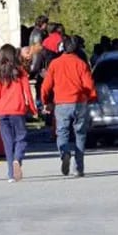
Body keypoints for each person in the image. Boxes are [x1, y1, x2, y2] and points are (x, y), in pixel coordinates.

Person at [41, 36, 96, 178]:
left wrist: (46, 101)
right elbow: (89, 85)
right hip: (79, 102)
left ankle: (64, 152)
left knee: (62, 132)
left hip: (61, 103)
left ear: (63, 48)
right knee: (80, 134)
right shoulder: (81, 64)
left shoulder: (54, 64)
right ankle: (78, 168)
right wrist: (92, 98)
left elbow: (46, 86)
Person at [0, 44, 38, 182]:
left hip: (2, 112)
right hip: (18, 110)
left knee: (8, 143)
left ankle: (11, 174)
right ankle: (17, 159)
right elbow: (27, 92)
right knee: (21, 138)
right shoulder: (21, 72)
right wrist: (33, 109)